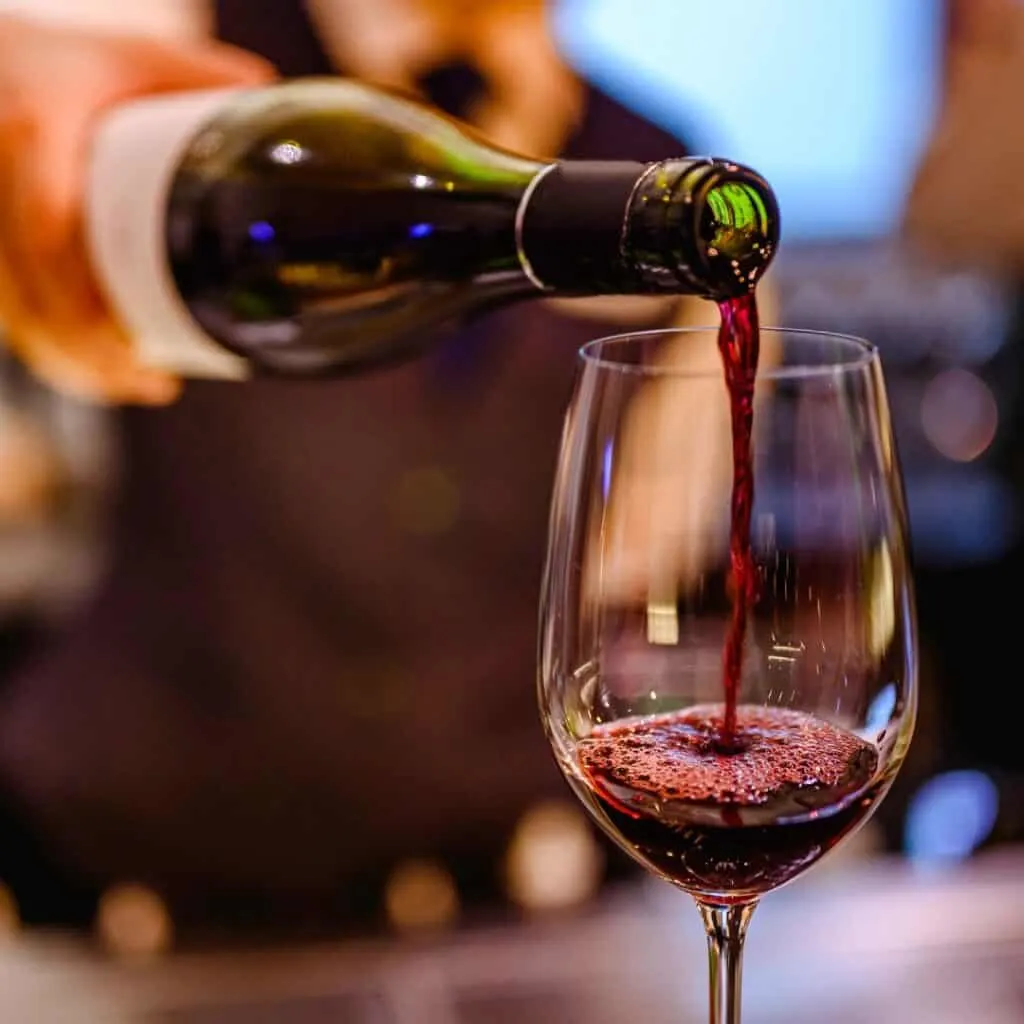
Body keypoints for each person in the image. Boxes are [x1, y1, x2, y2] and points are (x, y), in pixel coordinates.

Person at [0, 0, 773, 934]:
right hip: (153, 894)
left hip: (500, 900)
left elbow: (642, 547)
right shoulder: (183, 68)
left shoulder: (650, 169)